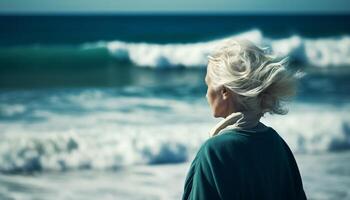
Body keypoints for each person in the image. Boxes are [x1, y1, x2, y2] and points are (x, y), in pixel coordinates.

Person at [182, 40, 307, 200]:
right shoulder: (277, 143)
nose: (206, 94)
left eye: (208, 85)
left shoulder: (213, 152)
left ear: (225, 91)